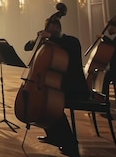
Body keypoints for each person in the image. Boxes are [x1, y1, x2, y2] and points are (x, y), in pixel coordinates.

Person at [26, 19, 88, 157]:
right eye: (50, 28)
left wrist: (51, 37)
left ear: (59, 28)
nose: (53, 29)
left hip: (74, 89)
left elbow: (69, 46)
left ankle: (70, 144)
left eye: (55, 27)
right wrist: (38, 38)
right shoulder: (48, 43)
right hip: (57, 86)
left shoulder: (71, 41)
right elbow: (27, 47)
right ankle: (53, 135)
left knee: (52, 106)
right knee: (43, 103)